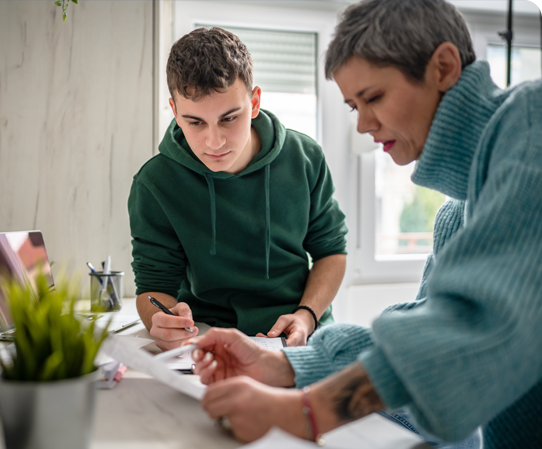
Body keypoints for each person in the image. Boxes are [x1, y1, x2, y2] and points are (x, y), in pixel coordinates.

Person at [189, 1, 542, 447]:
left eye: (373, 97)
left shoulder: (532, 124)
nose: (363, 126)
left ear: (444, 67)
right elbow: (424, 327)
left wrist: (304, 413)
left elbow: (471, 330)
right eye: (354, 106)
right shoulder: (458, 210)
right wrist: (285, 366)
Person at [128, 27, 348, 351]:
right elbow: (153, 288)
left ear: (254, 101)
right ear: (174, 112)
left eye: (229, 118)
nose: (213, 142)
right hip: (207, 341)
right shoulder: (154, 183)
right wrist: (159, 320)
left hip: (299, 336)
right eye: (195, 122)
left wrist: (306, 315)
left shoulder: (305, 158)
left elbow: (331, 251)